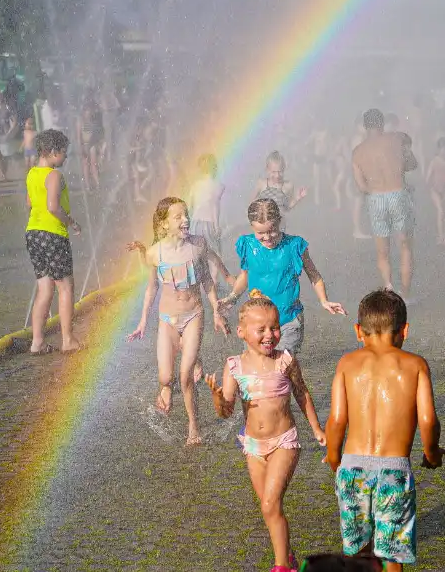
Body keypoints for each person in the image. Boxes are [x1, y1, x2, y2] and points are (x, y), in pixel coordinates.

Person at [324, 289, 445, 572]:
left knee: (358, 551)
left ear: (358, 330)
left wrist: (333, 457)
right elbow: (428, 421)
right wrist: (432, 453)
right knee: (391, 553)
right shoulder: (415, 366)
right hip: (394, 469)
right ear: (404, 330)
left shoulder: (347, 364)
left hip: (353, 467)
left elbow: (337, 420)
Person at [206, 295, 326, 572]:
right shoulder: (234, 366)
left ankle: (282, 566)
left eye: (274, 328)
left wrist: (317, 428)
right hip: (253, 447)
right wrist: (217, 399)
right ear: (242, 332)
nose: (269, 335)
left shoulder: (285, 360)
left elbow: (302, 393)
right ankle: (289, 556)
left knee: (271, 503)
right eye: (261, 330)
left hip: (284, 441)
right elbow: (226, 412)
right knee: (268, 509)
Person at [128, 197, 229, 445]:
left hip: (194, 314)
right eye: (179, 217)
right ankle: (170, 381)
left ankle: (193, 426)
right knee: (165, 377)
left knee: (185, 376)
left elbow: (206, 281)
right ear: (164, 225)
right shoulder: (156, 253)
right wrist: (142, 322)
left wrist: (216, 310)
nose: (186, 220)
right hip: (167, 321)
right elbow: (151, 289)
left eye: (186, 215)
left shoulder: (197, 246)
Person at [219, 198, 346, 354]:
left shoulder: (294, 246)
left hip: (288, 320)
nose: (267, 237)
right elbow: (245, 276)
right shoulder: (247, 245)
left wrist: (324, 300)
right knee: (256, 366)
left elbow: (314, 276)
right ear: (251, 227)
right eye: (260, 233)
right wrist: (232, 297)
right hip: (257, 319)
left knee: (283, 368)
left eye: (272, 230)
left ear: (279, 221)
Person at [25, 129, 82, 355]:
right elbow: (52, 207)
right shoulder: (54, 176)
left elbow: (30, 202)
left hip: (33, 233)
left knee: (44, 288)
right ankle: (68, 340)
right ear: (52, 152)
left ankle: (37, 342)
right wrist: (71, 222)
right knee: (65, 287)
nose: (66, 157)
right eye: (64, 153)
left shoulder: (31, 173)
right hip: (53, 234)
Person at [352, 109, 418, 297]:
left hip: (375, 198)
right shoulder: (396, 139)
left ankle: (389, 287)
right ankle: (405, 293)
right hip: (398, 193)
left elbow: (362, 186)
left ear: (365, 127)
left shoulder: (357, 152)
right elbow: (412, 164)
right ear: (382, 124)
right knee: (405, 245)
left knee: (383, 251)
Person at [187, 153, 232, 281]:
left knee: (195, 253)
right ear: (215, 168)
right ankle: (214, 281)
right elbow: (215, 208)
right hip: (209, 223)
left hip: (195, 223)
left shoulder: (195, 186)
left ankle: (192, 281)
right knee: (215, 254)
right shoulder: (219, 186)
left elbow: (190, 207)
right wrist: (218, 226)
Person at [425, 136, 445, 246]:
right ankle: (441, 236)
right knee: (441, 211)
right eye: (442, 148)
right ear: (438, 149)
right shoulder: (434, 161)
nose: (444, 151)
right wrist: (429, 185)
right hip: (435, 190)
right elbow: (428, 176)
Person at [76, 96, 104, 191]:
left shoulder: (93, 121)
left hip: (91, 145)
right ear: (84, 112)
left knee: (93, 164)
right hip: (84, 145)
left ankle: (98, 183)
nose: (89, 112)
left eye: (90, 111)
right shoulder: (80, 122)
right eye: (87, 111)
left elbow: (95, 134)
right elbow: (79, 136)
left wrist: (98, 145)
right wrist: (81, 148)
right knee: (85, 165)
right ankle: (88, 185)